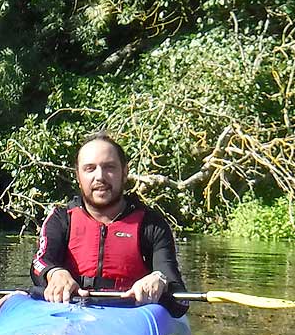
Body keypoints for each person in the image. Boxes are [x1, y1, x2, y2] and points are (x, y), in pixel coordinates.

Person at [30, 131, 190, 317]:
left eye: (109, 167)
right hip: (70, 312)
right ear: (78, 176)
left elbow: (179, 296)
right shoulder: (61, 219)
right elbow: (40, 264)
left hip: (131, 316)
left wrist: (159, 279)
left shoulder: (152, 224)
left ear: (125, 172)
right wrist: (54, 273)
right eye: (90, 168)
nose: (100, 177)